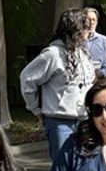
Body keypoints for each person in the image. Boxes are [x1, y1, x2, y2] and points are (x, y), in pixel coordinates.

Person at [20, 9, 96, 161]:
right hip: (60, 122)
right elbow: (27, 78)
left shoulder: (83, 53)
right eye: (85, 26)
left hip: (85, 121)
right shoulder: (53, 54)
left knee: (83, 166)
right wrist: (35, 108)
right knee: (63, 167)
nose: (89, 31)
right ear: (75, 29)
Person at [83, 6, 106, 78]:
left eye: (94, 20)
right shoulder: (76, 39)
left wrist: (97, 75)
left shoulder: (105, 41)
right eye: (88, 19)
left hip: (96, 81)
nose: (91, 23)